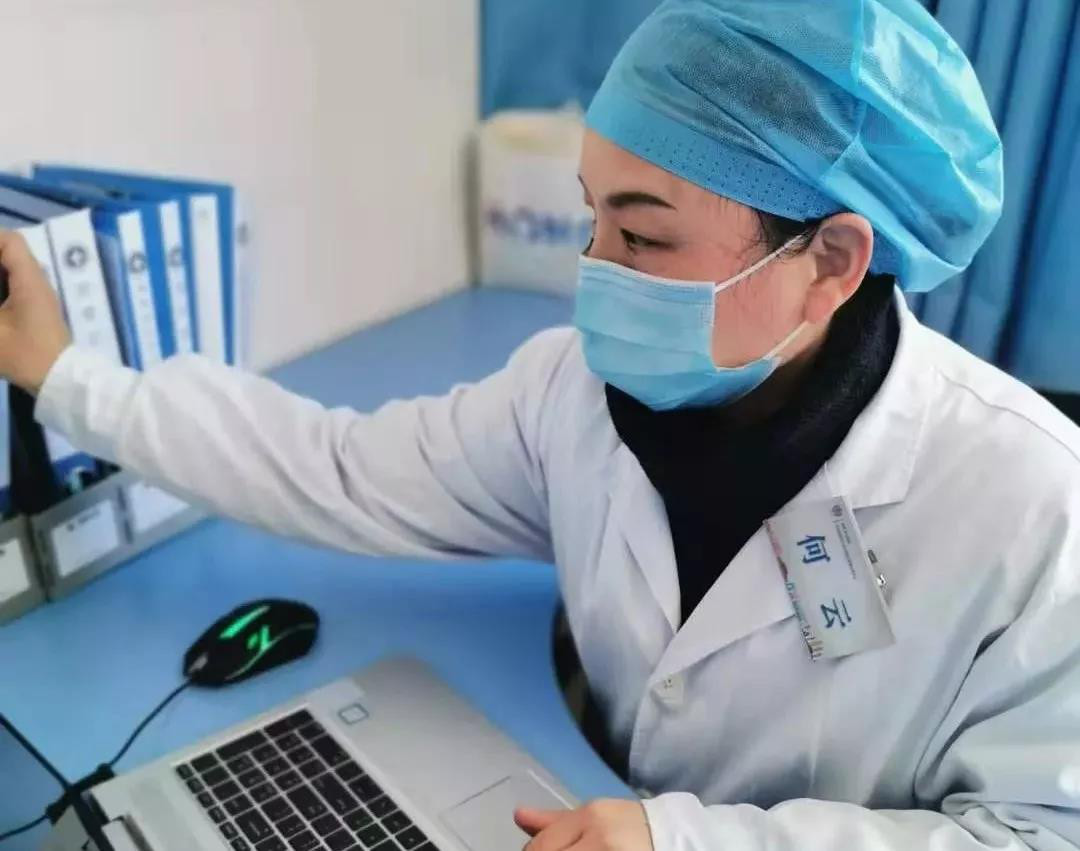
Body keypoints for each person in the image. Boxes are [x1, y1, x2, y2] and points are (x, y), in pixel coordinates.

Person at [2, 0, 1079, 848]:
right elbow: (336, 466)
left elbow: (1042, 830)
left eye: (643, 239)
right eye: (591, 217)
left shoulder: (1032, 507)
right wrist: (67, 376)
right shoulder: (573, 395)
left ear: (831, 261)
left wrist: (685, 839)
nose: (594, 273)